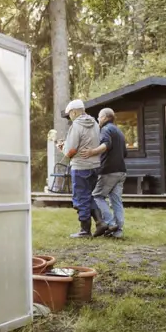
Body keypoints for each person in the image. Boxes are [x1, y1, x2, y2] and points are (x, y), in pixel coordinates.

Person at [58, 99, 109, 238]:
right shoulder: (95, 124)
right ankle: (100, 223)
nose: (70, 117)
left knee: (81, 197)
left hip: (80, 166)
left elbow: (72, 150)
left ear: (74, 112)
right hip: (95, 166)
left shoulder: (76, 125)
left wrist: (63, 148)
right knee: (89, 195)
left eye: (70, 114)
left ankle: (85, 230)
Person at [79, 107, 127, 238]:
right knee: (116, 200)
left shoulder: (106, 129)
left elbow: (106, 144)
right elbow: (125, 153)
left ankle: (111, 223)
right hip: (121, 171)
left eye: (99, 117)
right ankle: (118, 231)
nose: (98, 119)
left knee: (97, 196)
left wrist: (91, 152)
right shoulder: (119, 132)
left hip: (108, 171)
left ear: (105, 118)